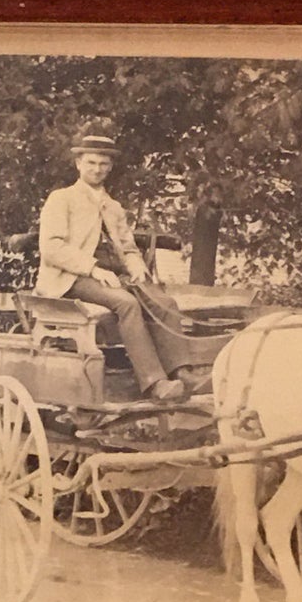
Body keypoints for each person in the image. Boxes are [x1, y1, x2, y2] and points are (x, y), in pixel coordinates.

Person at [36, 125, 185, 401]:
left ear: (110, 167)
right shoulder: (62, 199)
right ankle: (155, 383)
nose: (97, 169)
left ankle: (180, 373)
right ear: (79, 163)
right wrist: (93, 268)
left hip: (112, 276)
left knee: (166, 304)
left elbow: (127, 248)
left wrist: (136, 266)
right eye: (91, 162)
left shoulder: (113, 206)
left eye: (103, 164)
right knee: (126, 303)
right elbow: (52, 247)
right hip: (71, 279)